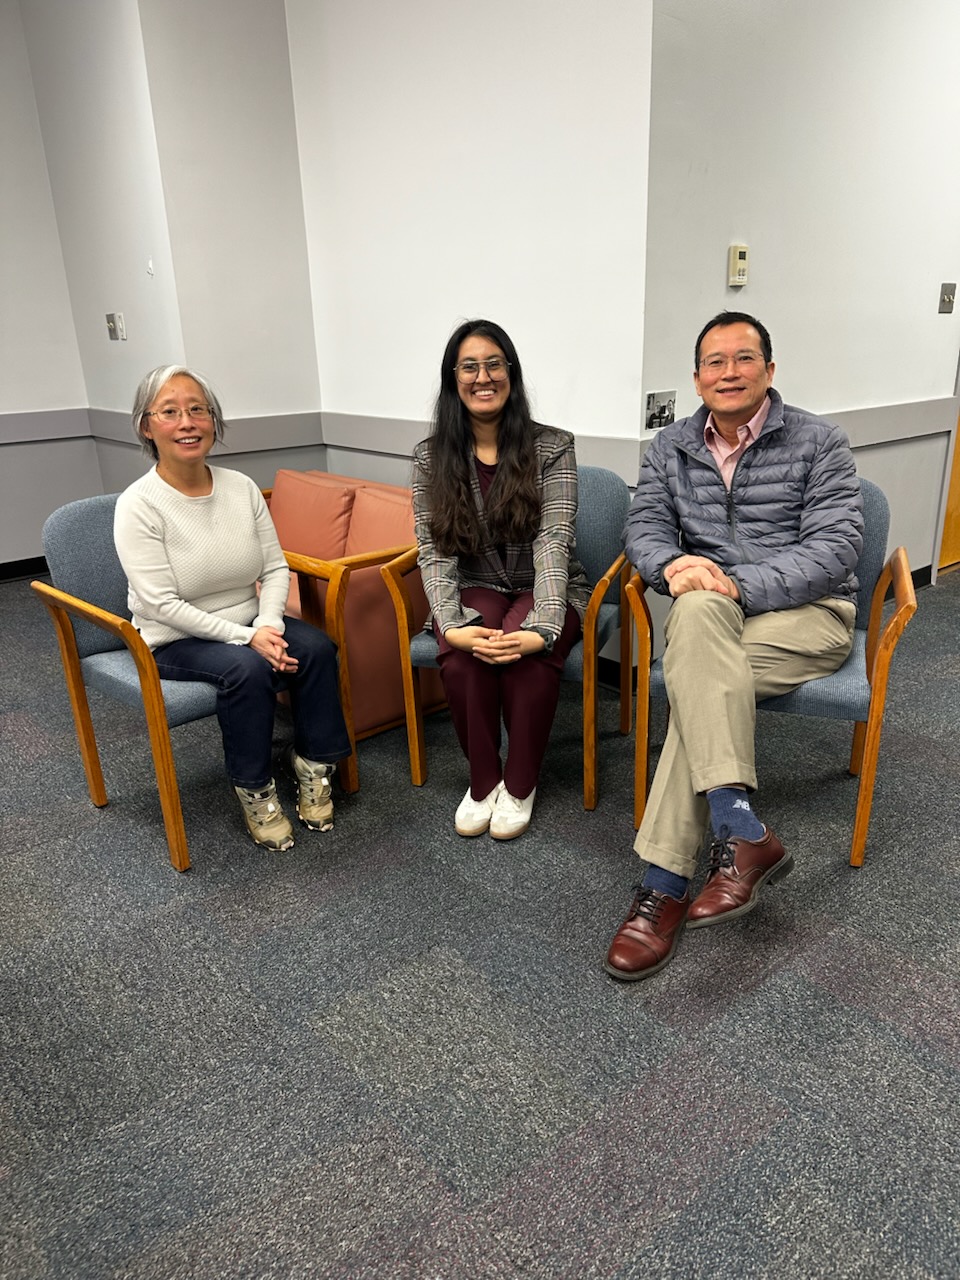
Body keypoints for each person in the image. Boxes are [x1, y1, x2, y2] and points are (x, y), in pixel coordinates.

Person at [605, 311, 864, 981]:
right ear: (697, 379)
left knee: (697, 661)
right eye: (714, 362)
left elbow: (836, 548)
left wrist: (726, 587)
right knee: (696, 623)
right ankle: (739, 826)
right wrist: (671, 569)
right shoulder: (669, 448)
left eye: (743, 359)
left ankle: (662, 884)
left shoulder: (820, 441)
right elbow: (645, 530)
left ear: (770, 371)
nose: (728, 372)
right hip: (710, 620)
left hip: (810, 616)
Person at [114, 365, 351, 851]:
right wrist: (249, 638)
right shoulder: (138, 504)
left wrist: (266, 622)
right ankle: (255, 788)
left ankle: (312, 764)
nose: (187, 423)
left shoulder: (241, 487)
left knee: (317, 649)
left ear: (213, 421)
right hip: (172, 636)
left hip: (249, 620)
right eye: (170, 412)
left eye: (198, 409)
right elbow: (160, 603)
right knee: (247, 670)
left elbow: (275, 567)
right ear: (146, 425)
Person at [412, 319, 592, 840]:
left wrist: (544, 625)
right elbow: (435, 550)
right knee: (464, 658)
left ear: (511, 373)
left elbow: (552, 541)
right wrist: (450, 624)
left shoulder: (553, 446)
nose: (483, 376)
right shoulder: (430, 457)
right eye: (469, 366)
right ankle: (483, 779)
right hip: (475, 582)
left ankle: (519, 784)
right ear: (453, 379)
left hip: (547, 583)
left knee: (527, 656)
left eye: (495, 364)